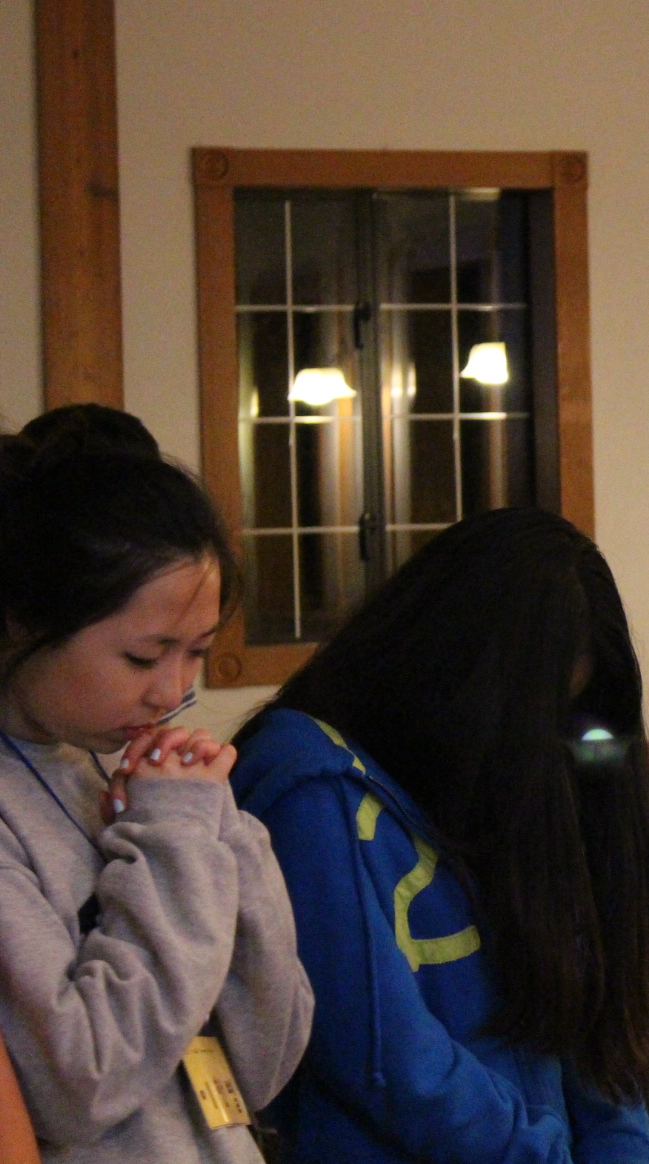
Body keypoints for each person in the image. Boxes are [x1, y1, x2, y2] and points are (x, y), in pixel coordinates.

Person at [231, 507, 649, 1164]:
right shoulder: (311, 785)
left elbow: (597, 1045)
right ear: (455, 674)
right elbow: (390, 1064)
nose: (539, 750)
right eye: (529, 720)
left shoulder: (516, 778)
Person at [0, 404, 313, 1162]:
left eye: (197, 652)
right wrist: (176, 836)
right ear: (23, 621)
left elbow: (267, 1060)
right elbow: (82, 1087)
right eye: (144, 657)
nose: (172, 693)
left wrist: (221, 832)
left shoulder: (116, 767)